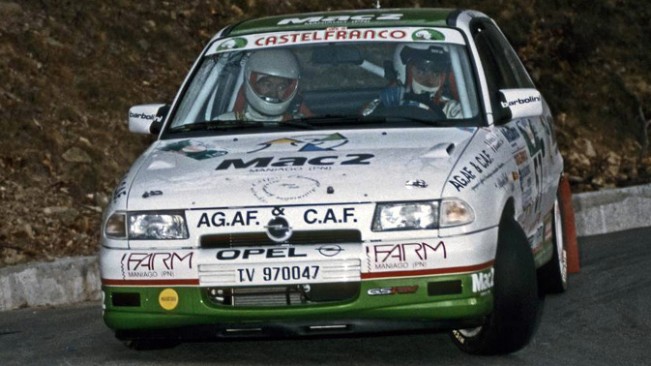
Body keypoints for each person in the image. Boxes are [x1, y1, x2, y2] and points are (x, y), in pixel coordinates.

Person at [363, 44, 462, 119]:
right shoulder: (390, 99)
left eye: (436, 73)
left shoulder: (451, 109)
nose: (430, 78)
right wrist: (383, 102)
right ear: (403, 70)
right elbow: (363, 122)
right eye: (421, 71)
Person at [221, 48, 311, 122]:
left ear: (289, 90)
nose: (273, 93)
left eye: (281, 87)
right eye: (267, 84)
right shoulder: (223, 124)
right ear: (254, 84)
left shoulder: (301, 125)